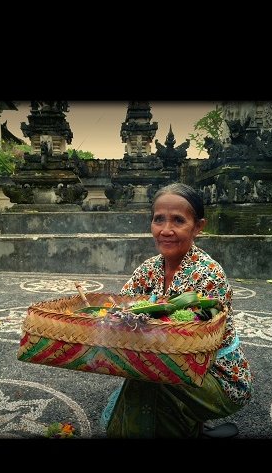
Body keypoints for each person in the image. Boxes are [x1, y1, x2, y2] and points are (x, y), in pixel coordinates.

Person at [102, 182, 252, 438]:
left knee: (146, 379)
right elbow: (119, 309)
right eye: (158, 219)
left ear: (198, 227)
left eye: (178, 220)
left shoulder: (209, 275)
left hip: (214, 375)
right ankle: (188, 425)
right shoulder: (148, 270)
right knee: (148, 376)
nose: (166, 230)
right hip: (166, 363)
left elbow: (190, 348)